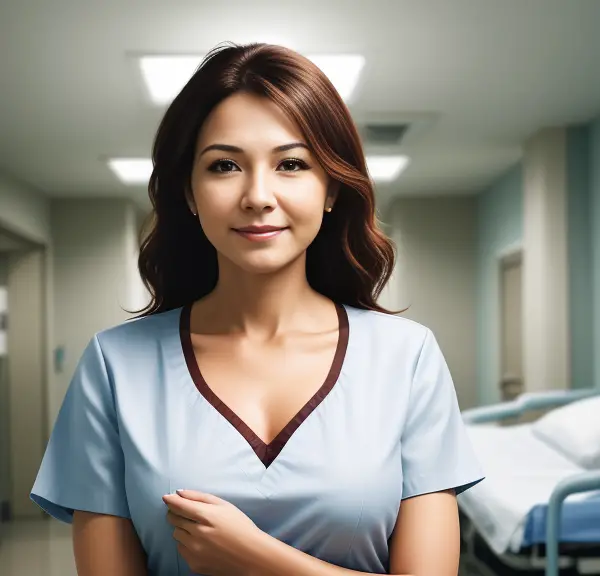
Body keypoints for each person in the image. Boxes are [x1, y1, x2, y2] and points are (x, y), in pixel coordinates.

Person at [30, 42, 484, 576]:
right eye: (224, 165)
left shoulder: (407, 359)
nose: (258, 195)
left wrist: (256, 557)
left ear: (331, 188)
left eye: (291, 164)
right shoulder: (114, 366)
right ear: (190, 194)